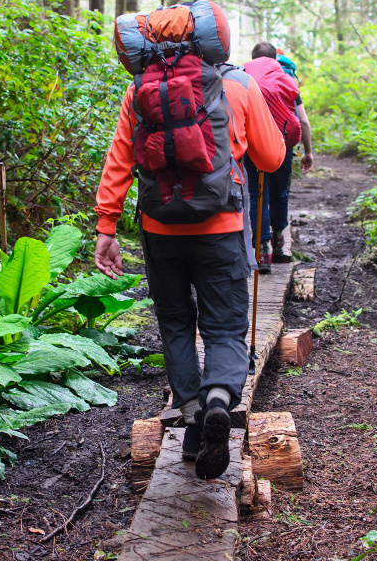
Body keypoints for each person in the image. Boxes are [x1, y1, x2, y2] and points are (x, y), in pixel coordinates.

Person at [93, 35, 285, 481]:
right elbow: (273, 158)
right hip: (221, 226)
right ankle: (219, 398)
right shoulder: (235, 85)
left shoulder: (140, 88)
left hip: (160, 229)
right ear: (211, 43)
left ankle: (195, 418)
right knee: (224, 326)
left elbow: (120, 158)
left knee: (176, 320)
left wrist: (106, 226)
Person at [242, 42, 314, 272]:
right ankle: (279, 242)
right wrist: (308, 152)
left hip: (253, 145)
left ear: (253, 59)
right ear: (276, 59)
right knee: (279, 193)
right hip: (282, 144)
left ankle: (261, 250)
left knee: (257, 195)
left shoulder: (245, 77)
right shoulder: (287, 79)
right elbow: (303, 121)